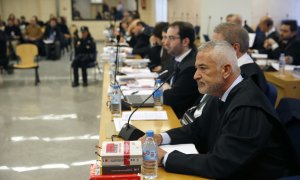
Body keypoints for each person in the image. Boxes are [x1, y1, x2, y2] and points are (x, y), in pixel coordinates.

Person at [140, 40, 296, 179]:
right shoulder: (222, 92)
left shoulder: (247, 108)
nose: (195, 76)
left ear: (226, 70)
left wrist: (164, 158)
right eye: (196, 68)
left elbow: (219, 165)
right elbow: (197, 129)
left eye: (203, 68)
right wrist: (160, 138)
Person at [212, 22, 268, 93]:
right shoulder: (230, 67)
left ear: (235, 48)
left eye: (217, 45)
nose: (212, 50)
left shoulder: (249, 77)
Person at [161, 21, 200, 118]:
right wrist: (167, 88)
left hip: (179, 118)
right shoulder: (176, 57)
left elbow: (170, 99)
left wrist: (166, 87)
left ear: (185, 41)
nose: (166, 43)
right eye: (166, 37)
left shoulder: (192, 66)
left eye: (171, 38)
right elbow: (161, 78)